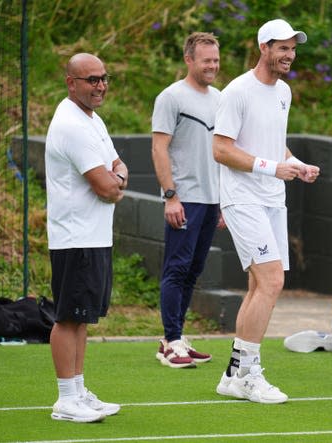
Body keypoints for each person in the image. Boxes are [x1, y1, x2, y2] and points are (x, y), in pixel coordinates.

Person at [212, 18, 320, 404]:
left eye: (293, 48)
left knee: (260, 286)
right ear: (264, 48)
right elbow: (221, 150)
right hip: (243, 199)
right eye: (282, 48)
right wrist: (271, 168)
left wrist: (297, 163)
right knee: (272, 282)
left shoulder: (284, 92)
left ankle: (234, 373)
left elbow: (276, 145)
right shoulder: (237, 92)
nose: (289, 55)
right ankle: (249, 374)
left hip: (274, 198)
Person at [45, 53, 127, 422]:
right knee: (67, 318)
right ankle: (65, 400)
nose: (100, 85)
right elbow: (107, 186)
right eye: (91, 79)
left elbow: (118, 167)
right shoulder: (71, 124)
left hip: (94, 237)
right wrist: (115, 181)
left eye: (103, 78)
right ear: (71, 83)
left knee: (82, 318)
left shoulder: (93, 119)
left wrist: (116, 179)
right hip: (74, 238)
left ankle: (78, 390)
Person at [151, 32, 223, 369]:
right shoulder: (170, 97)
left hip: (211, 201)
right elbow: (159, 147)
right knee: (176, 269)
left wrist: (223, 201)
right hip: (184, 199)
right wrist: (170, 196)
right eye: (206, 60)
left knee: (193, 270)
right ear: (189, 60)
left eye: (216, 60)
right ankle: (171, 342)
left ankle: (174, 338)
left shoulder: (221, 99)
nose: (213, 65)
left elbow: (222, 153)